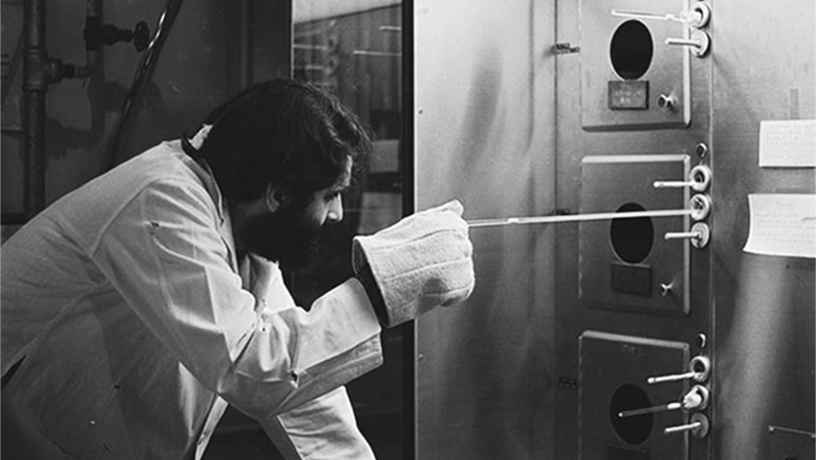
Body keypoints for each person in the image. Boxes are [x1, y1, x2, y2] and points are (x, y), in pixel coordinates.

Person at [1, 79, 475, 459]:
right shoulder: (162, 198)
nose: (335, 216)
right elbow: (250, 366)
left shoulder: (246, 232)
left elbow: (305, 400)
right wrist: (380, 291)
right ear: (278, 193)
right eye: (330, 195)